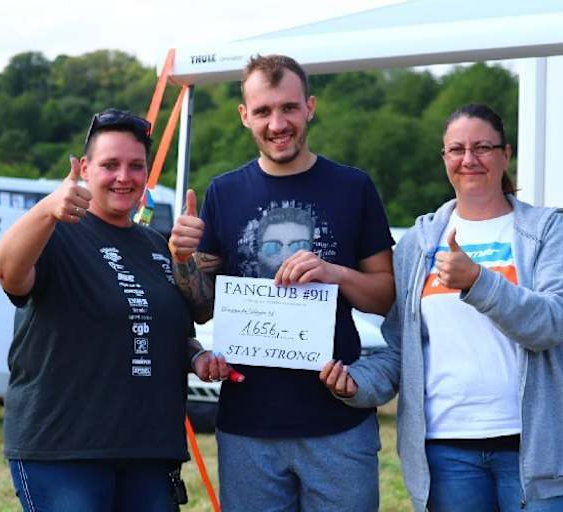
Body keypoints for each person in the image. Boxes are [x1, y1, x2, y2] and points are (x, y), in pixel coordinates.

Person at [322, 103, 563, 511]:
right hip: (447, 453)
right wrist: (357, 384)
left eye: (483, 148)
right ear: (444, 158)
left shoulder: (545, 231)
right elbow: (403, 349)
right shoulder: (418, 245)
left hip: (534, 450)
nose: (469, 160)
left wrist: (478, 280)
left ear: (506, 154)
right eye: (456, 149)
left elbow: (552, 323)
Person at [168, 54, 395, 511]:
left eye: (289, 108)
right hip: (248, 425)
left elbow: (384, 296)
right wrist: (181, 258)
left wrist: (335, 272)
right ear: (244, 116)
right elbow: (202, 308)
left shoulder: (353, 187)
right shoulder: (224, 193)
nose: (278, 123)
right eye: (264, 111)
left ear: (309, 106)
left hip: (339, 420)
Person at [0, 108, 199, 511]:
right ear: (85, 168)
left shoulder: (157, 246)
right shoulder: (57, 233)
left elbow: (171, 333)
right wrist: (47, 208)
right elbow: (7, 271)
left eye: (136, 166)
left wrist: (200, 355)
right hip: (64, 450)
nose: (124, 177)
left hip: (149, 451)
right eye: (110, 165)